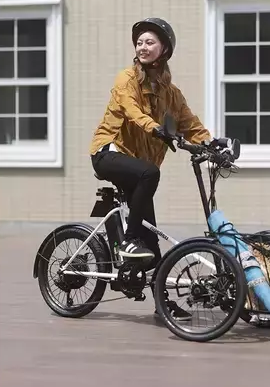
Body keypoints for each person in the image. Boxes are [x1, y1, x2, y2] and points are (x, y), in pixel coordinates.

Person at [89, 17, 212, 320]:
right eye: (139, 42)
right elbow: (132, 110)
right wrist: (155, 128)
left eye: (150, 42)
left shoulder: (172, 94)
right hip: (109, 152)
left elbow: (191, 124)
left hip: (139, 166)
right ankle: (128, 242)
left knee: (153, 246)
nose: (142, 47)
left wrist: (212, 144)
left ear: (164, 49)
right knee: (149, 174)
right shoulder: (127, 79)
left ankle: (161, 304)